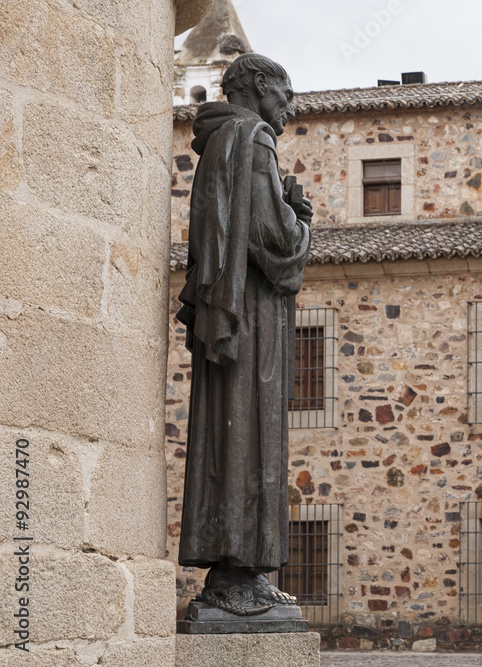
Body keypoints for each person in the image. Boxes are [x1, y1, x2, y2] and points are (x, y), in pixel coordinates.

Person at [176, 53, 312, 616]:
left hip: (231, 315)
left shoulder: (216, 141)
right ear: (258, 89)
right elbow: (272, 239)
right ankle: (238, 574)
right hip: (252, 320)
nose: (288, 112)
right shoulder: (253, 138)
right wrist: (299, 217)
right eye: (284, 98)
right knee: (251, 432)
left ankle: (236, 570)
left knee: (227, 432)